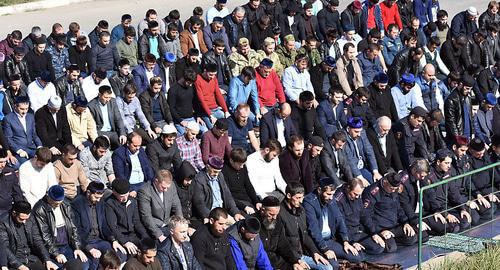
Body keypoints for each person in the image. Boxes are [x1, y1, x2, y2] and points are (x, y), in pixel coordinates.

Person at [303, 177, 362, 263]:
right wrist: (325, 249)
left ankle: (340, 259)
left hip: (330, 240)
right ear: (319, 190)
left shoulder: (331, 199)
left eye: (333, 194)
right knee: (333, 266)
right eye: (328, 194)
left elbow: (339, 219)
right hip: (318, 243)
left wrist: (345, 241)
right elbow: (314, 229)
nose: (331, 197)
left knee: (356, 257)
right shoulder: (309, 202)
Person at [71, 181, 126, 270]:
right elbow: (76, 231)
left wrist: (113, 240)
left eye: (100, 197)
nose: (98, 200)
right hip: (86, 241)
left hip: (99, 239)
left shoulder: (100, 202)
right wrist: (89, 248)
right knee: (95, 259)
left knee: (120, 254)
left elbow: (104, 225)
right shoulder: (77, 204)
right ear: (88, 192)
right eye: (96, 197)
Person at [32, 185, 89, 269]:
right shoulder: (40, 209)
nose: (58, 205)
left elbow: (73, 227)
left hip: (67, 244)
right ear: (49, 197)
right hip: (53, 247)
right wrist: (56, 254)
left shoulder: (66, 204)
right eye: (55, 203)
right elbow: (45, 236)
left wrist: (77, 247)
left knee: (84, 265)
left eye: (60, 202)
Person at [362, 172, 418, 252]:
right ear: (385, 182)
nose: (393, 191)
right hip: (380, 228)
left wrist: (405, 222)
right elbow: (366, 215)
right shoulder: (372, 192)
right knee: (390, 248)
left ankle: (393, 239)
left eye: (395, 189)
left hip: (393, 225)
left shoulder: (393, 190)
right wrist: (377, 231)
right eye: (392, 188)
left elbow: (398, 207)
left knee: (412, 237)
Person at [0, 200, 58, 270]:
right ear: (14, 213)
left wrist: (47, 259)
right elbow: (4, 248)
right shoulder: (3, 222)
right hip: (15, 261)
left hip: (32, 258)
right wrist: (19, 265)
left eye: (26, 219)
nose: (24, 222)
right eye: (21, 219)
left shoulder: (30, 218)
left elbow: (37, 240)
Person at [334, 178, 385, 256]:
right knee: (358, 255)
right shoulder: (338, 199)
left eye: (359, 195)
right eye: (355, 194)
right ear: (348, 188)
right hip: (346, 235)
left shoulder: (357, 196)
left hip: (357, 231)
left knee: (378, 247)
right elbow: (341, 224)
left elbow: (364, 215)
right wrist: (351, 242)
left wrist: (373, 233)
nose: (357, 197)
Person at [192, 156, 244, 223]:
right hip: (211, 215)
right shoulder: (199, 180)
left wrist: (235, 212)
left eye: (218, 172)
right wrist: (210, 216)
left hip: (223, 212)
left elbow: (228, 196)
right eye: (215, 171)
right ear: (207, 167)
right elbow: (199, 203)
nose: (216, 174)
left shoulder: (220, 175)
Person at [137, 169, 183, 242]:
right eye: (163, 187)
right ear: (156, 181)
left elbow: (176, 206)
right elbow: (146, 216)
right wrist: (159, 235)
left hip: (168, 224)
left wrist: (181, 225)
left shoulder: (171, 186)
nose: (166, 190)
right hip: (154, 228)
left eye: (167, 187)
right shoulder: (145, 191)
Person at [105, 179, 148, 252]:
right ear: (114, 192)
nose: (125, 199)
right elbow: (113, 227)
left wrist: (145, 236)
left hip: (133, 235)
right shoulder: (109, 204)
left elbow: (136, 222)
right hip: (120, 236)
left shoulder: (132, 201)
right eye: (122, 196)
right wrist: (124, 242)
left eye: (126, 195)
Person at [3, 96, 42, 165]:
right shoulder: (8, 119)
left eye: (26, 109)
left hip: (32, 148)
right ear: (15, 106)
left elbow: (34, 135)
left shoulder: (30, 117)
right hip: (19, 150)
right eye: (22, 109)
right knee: (27, 165)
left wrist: (39, 146)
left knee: (43, 161)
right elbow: (8, 138)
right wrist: (19, 151)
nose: (24, 111)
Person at [344, 117, 382, 185]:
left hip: (363, 167)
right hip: (351, 171)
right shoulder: (344, 137)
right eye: (356, 131)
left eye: (360, 131)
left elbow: (369, 151)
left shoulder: (362, 133)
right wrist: (360, 178)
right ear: (348, 129)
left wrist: (375, 171)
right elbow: (350, 159)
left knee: (376, 183)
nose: (359, 134)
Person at [222, 148, 261, 214]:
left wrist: (256, 201)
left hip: (247, 200)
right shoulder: (224, 171)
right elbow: (227, 195)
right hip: (236, 203)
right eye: (240, 164)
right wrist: (244, 207)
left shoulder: (243, 168)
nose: (242, 167)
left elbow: (249, 186)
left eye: (243, 164)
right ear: (231, 161)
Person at [87, 85, 127, 150]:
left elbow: (118, 119)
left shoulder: (113, 101)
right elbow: (91, 126)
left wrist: (122, 133)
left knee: (122, 144)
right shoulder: (91, 105)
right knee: (104, 147)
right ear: (99, 95)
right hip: (100, 132)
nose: (108, 100)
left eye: (109, 97)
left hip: (112, 132)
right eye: (105, 97)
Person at [168, 68, 205, 135]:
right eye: (189, 83)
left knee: (204, 130)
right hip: (180, 120)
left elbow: (195, 102)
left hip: (191, 118)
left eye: (192, 83)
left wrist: (198, 116)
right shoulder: (173, 90)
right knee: (186, 135)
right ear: (184, 78)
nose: (190, 85)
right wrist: (180, 121)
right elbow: (171, 108)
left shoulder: (192, 87)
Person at [194, 63, 230, 129]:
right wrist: (210, 115)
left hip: (215, 108)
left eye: (214, 75)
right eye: (210, 75)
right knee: (214, 128)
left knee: (228, 123)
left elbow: (218, 95)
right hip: (205, 112)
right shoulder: (198, 80)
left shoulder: (214, 79)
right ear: (205, 71)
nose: (212, 77)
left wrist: (226, 110)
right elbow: (201, 100)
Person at [444, 75, 474, 142]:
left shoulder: (468, 98)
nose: (469, 91)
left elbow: (470, 117)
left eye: (470, 89)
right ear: (460, 85)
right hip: (458, 138)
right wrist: (458, 138)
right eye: (467, 88)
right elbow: (451, 122)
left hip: (468, 135)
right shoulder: (451, 100)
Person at [0, 148, 24, 215]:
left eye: (4, 162)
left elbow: (16, 192)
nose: (3, 165)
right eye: (0, 162)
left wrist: (20, 208)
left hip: (8, 209)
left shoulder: (9, 171)